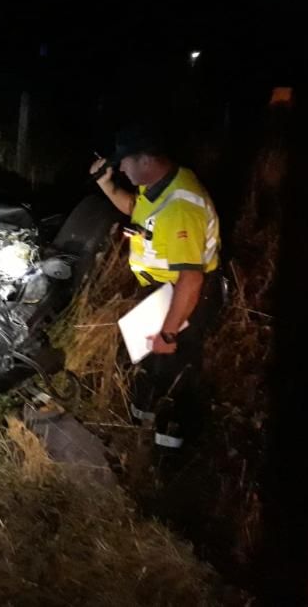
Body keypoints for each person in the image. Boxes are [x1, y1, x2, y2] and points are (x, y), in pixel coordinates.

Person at [90, 125, 222, 453]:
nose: (120, 168)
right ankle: (142, 428)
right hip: (163, 291)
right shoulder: (159, 185)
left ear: (146, 158)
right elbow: (137, 209)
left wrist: (169, 333)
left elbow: (191, 280)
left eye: (124, 162)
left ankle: (169, 456)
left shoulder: (180, 207)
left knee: (173, 369)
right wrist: (106, 186)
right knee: (147, 361)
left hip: (185, 296)